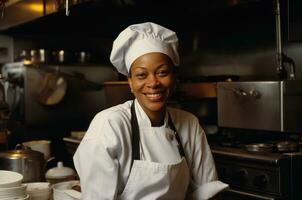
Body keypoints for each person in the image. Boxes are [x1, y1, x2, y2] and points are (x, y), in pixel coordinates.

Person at [73, 22, 228, 200]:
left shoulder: (189, 124)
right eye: (141, 75)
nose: (153, 83)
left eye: (162, 72)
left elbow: (206, 189)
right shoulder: (110, 125)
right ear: (130, 82)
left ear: (174, 78)